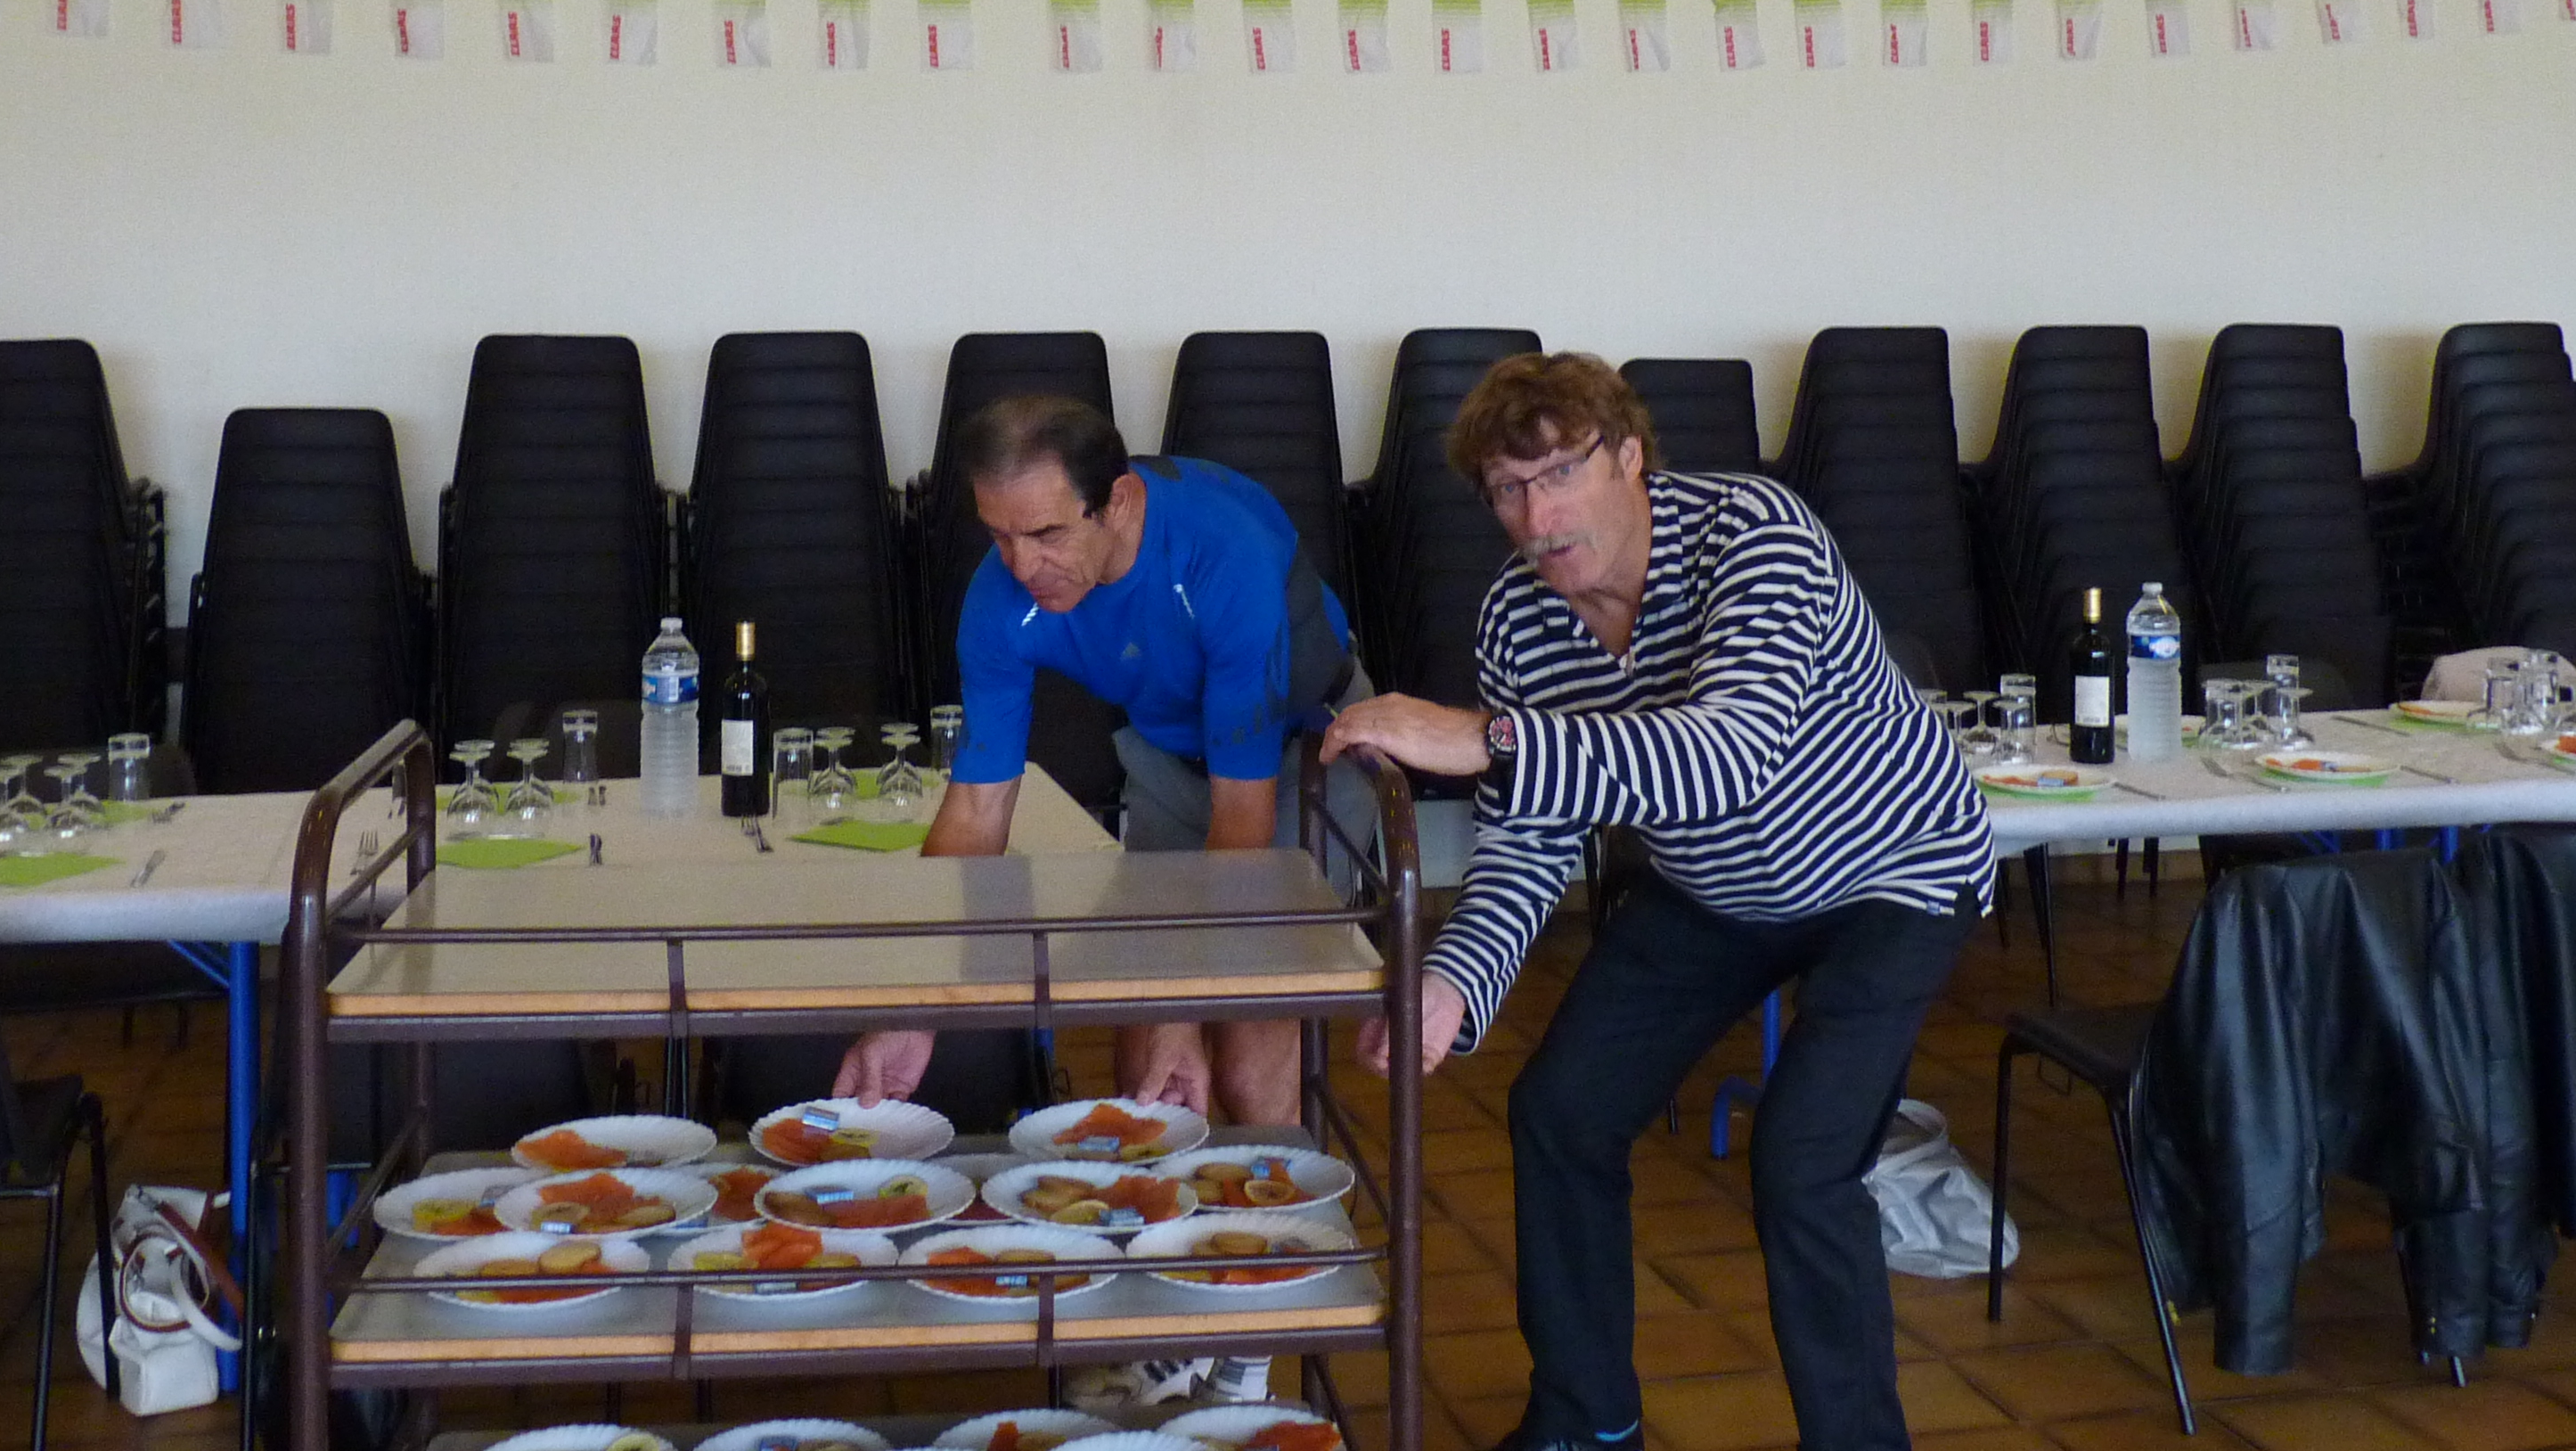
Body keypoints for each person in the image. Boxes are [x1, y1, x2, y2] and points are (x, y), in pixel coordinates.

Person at [1321, 352, 1993, 1451]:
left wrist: (1481, 735)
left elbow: (1725, 754)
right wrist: (1451, 981)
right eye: (1506, 488)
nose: (1537, 515)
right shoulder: (1518, 616)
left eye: (1561, 471)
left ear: (1630, 455)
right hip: (1715, 886)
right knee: (1560, 1111)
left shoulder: (1754, 534)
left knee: (1803, 1160)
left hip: (1892, 869)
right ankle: (1587, 1422)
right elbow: (1530, 833)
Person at [832, 391, 1367, 1413]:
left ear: (1117, 500)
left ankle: (1252, 1355)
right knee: (1147, 1072)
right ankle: (1170, 1324)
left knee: (1247, 1049)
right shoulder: (1000, 595)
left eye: (1045, 532)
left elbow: (1242, 824)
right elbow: (977, 812)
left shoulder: (1219, 553)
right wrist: (910, 1004)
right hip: (1168, 757)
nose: (1021, 562)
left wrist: (1185, 1003)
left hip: (1304, 757)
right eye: (997, 533)